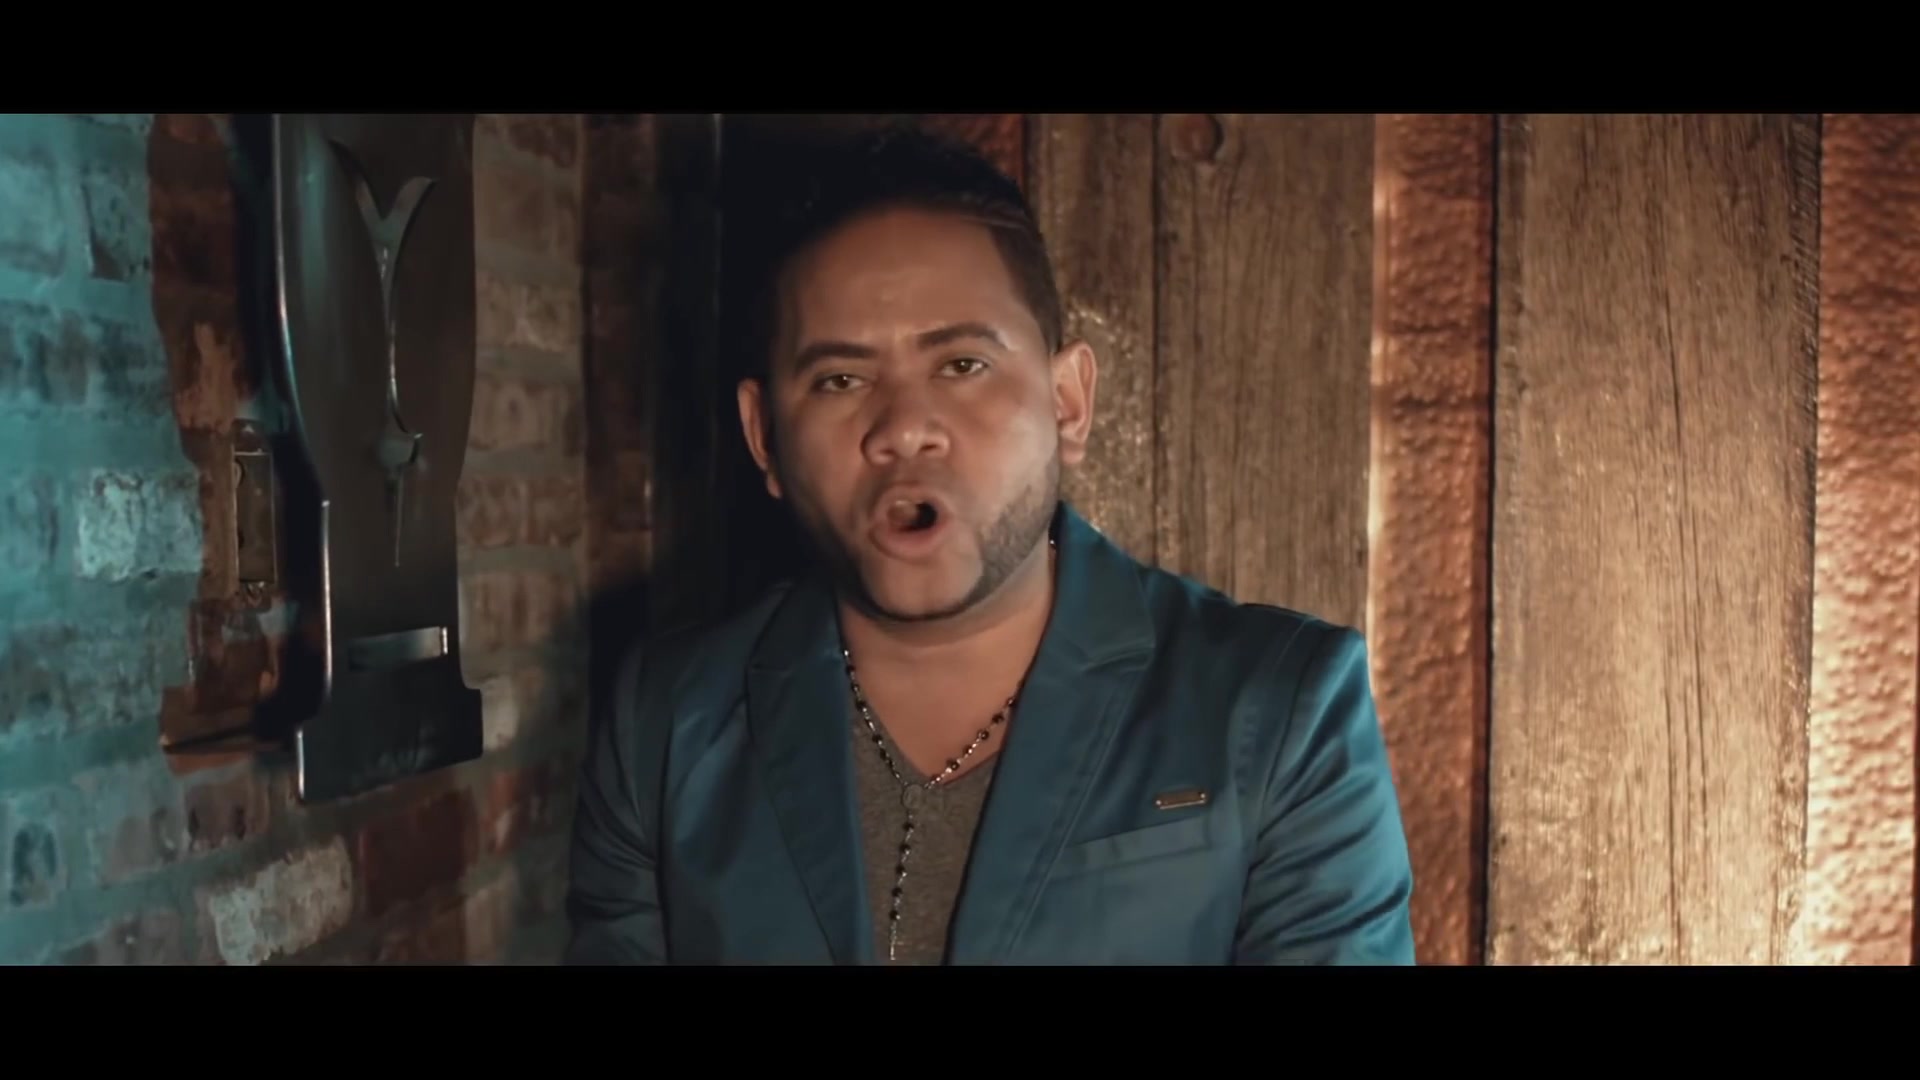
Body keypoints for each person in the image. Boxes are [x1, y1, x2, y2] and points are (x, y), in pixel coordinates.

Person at [563, 125, 1416, 965]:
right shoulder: (666, 725)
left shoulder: (1278, 710)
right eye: (840, 380)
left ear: (1067, 404)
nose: (904, 429)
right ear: (764, 439)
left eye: (962, 365)